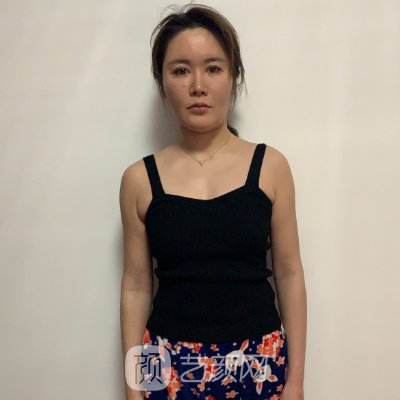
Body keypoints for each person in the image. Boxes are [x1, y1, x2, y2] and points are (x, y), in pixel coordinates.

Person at [119, 4, 307, 400]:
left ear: (233, 76)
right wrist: (134, 386)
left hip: (259, 362)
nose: (197, 85)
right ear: (162, 82)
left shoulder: (270, 166)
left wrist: (295, 383)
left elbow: (289, 273)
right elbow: (136, 286)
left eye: (213, 68)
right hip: (166, 365)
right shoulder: (139, 179)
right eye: (180, 70)